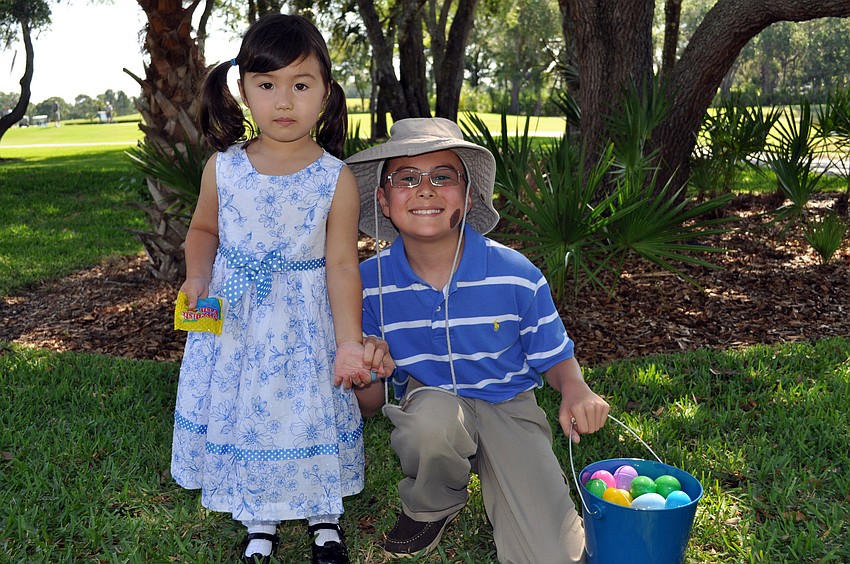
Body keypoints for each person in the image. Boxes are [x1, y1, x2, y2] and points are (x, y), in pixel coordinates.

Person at [346, 118, 610, 563]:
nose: (425, 189)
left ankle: (510, 475)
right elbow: (371, 405)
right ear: (383, 200)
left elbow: (555, 355)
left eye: (442, 177)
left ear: (468, 197)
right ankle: (433, 503)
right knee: (430, 423)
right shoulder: (366, 284)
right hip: (433, 405)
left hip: (509, 407)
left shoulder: (515, 274)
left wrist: (576, 389)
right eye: (406, 178)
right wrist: (369, 370)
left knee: (553, 556)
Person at [171, 14, 376, 564]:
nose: (284, 101)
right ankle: (258, 520)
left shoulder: (336, 177)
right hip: (237, 318)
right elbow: (204, 229)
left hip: (304, 323)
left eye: (301, 85)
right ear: (242, 90)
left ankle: (323, 517)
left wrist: (349, 341)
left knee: (307, 409)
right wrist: (196, 276)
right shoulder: (224, 167)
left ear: (326, 94)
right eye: (267, 85)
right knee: (249, 410)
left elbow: (340, 265)